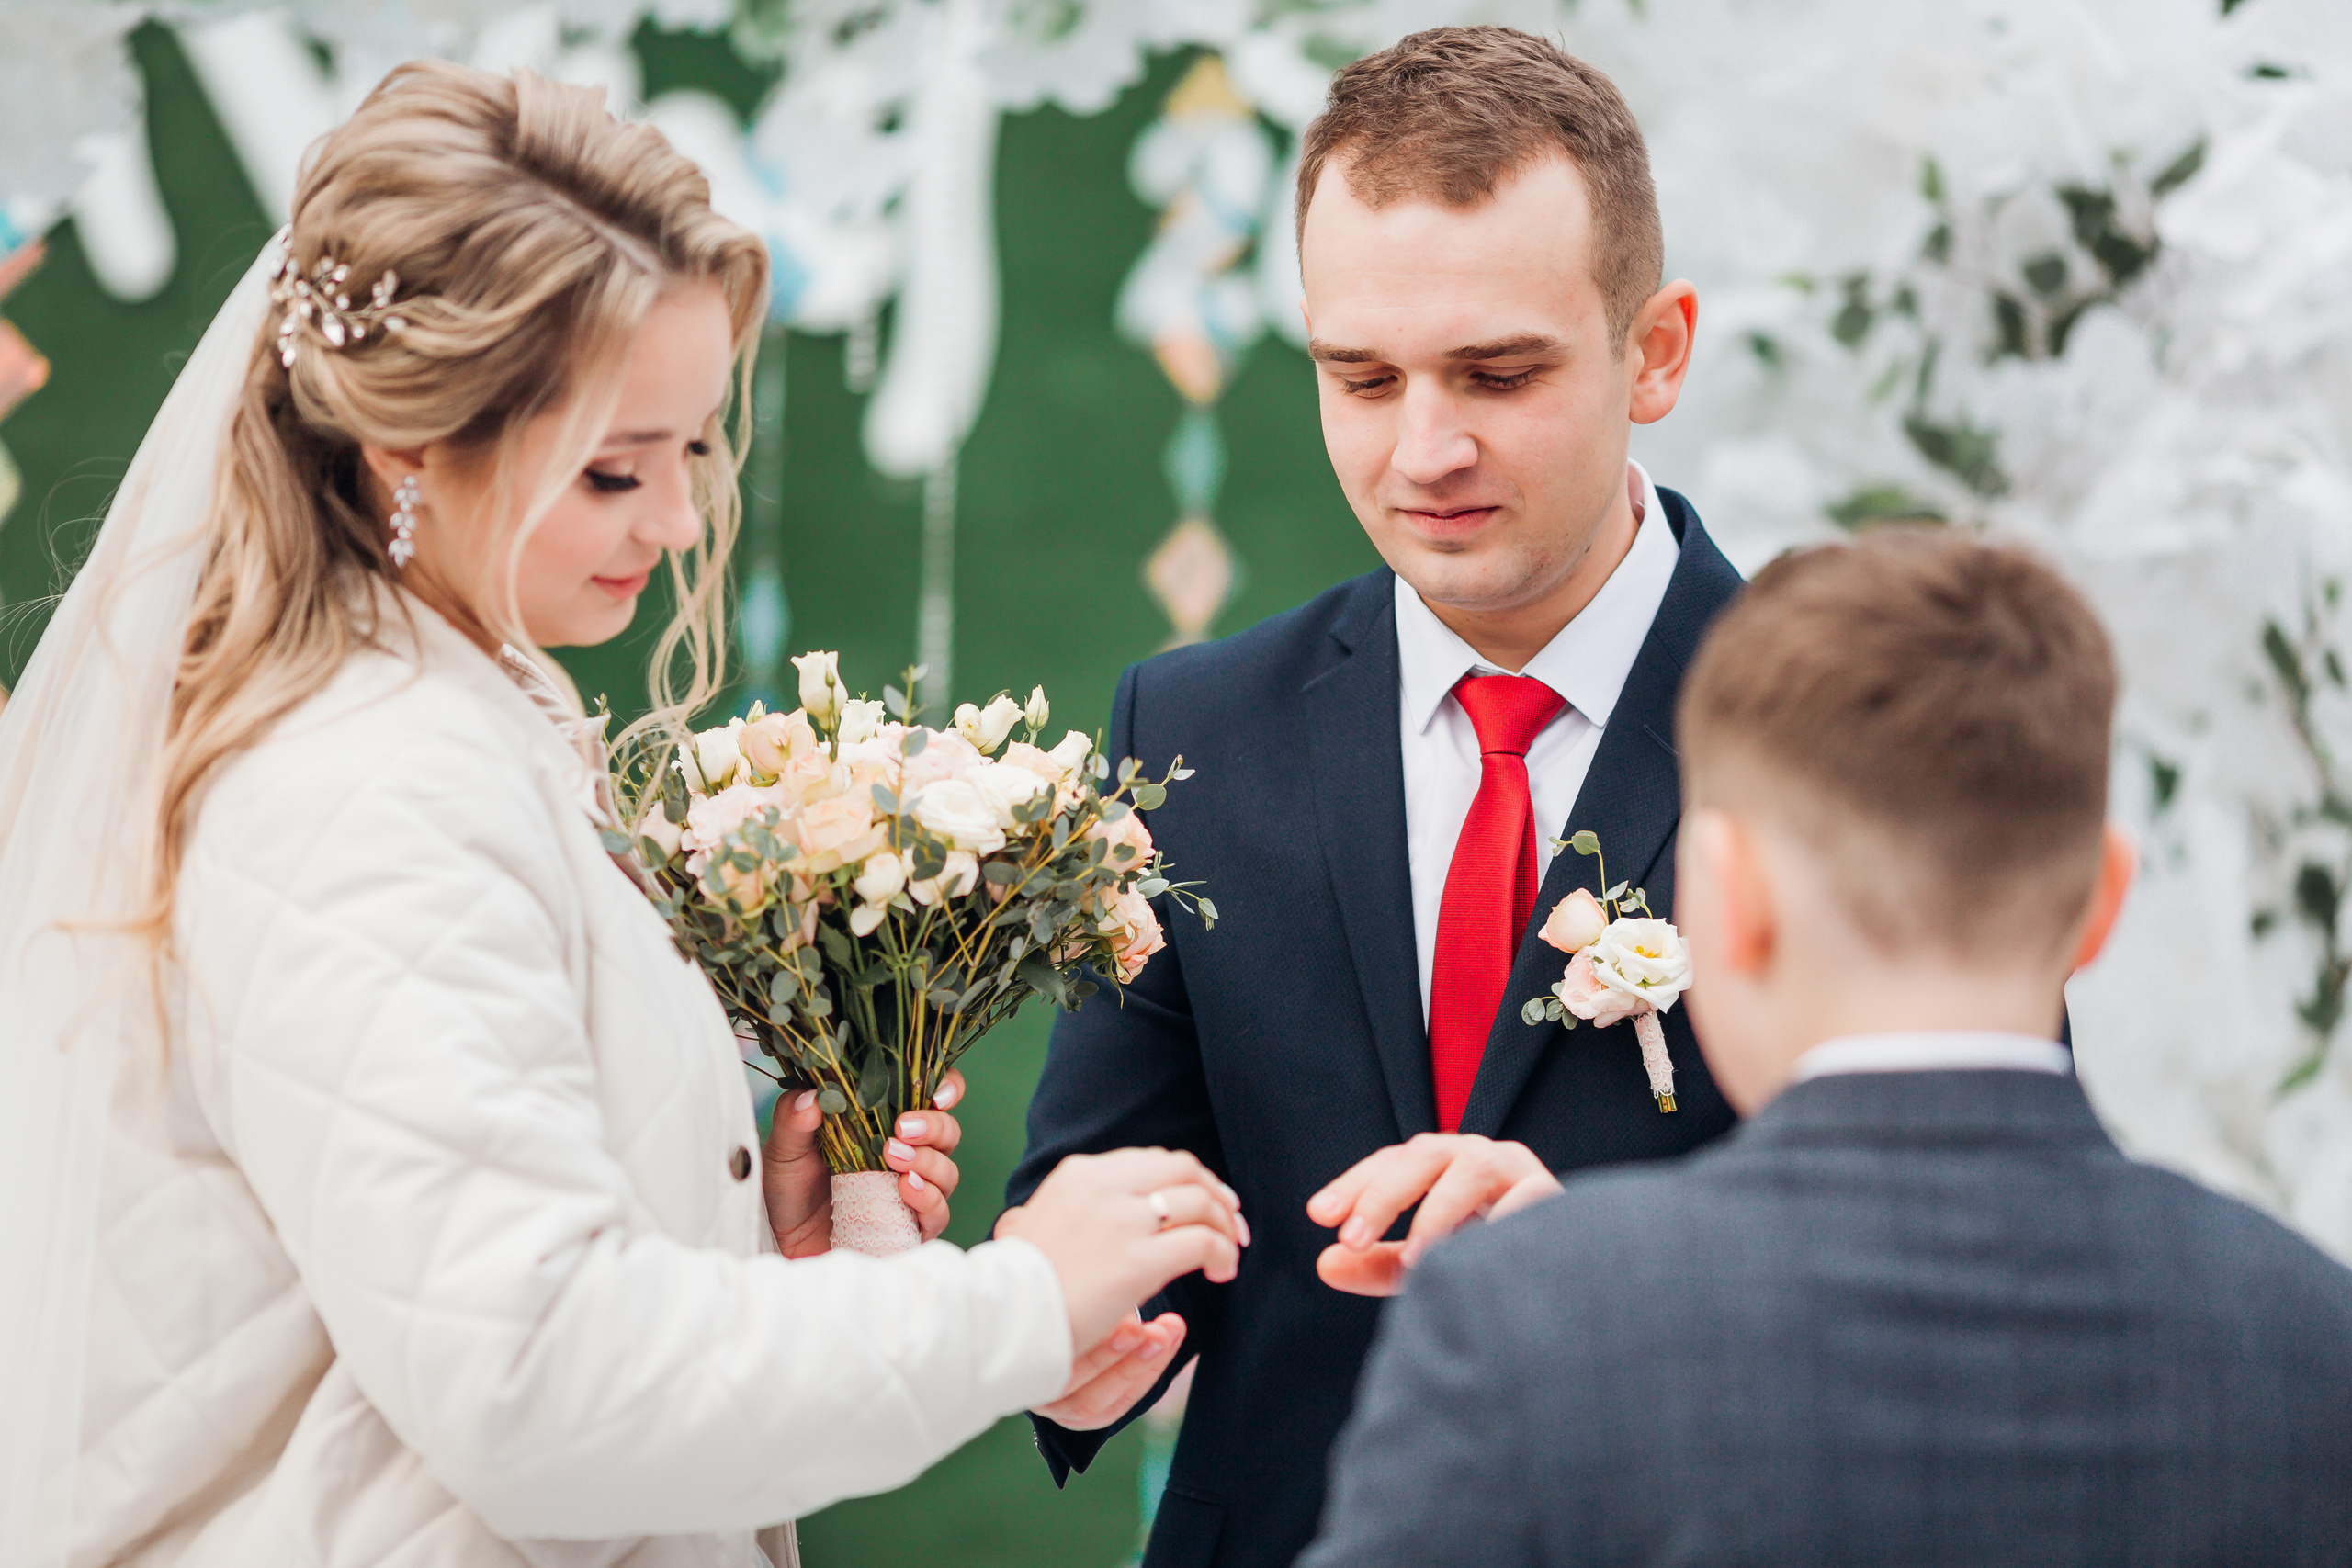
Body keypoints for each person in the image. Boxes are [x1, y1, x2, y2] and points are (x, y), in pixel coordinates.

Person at [0, 62, 1244, 1568]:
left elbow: (462, 1313)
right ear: (412, 447)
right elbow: (537, 1388)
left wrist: (758, 1256)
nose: (670, 519)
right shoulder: (364, 790)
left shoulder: (472, 705)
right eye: (612, 469)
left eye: (695, 449)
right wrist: (1016, 1300)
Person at [1008, 28, 1745, 1567]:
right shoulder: (1188, 727)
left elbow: (1969, 1236)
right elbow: (1108, 1209)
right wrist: (1052, 1329)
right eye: (1362, 375)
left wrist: (1612, 1273)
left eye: (1500, 372)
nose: (1426, 449)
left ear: (1657, 349)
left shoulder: (1843, 734)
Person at [1299, 530, 2352, 1567]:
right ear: (2100, 906)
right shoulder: (2308, 1332)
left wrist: (1581, 1281)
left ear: (1731, 894)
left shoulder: (1520, 1328)